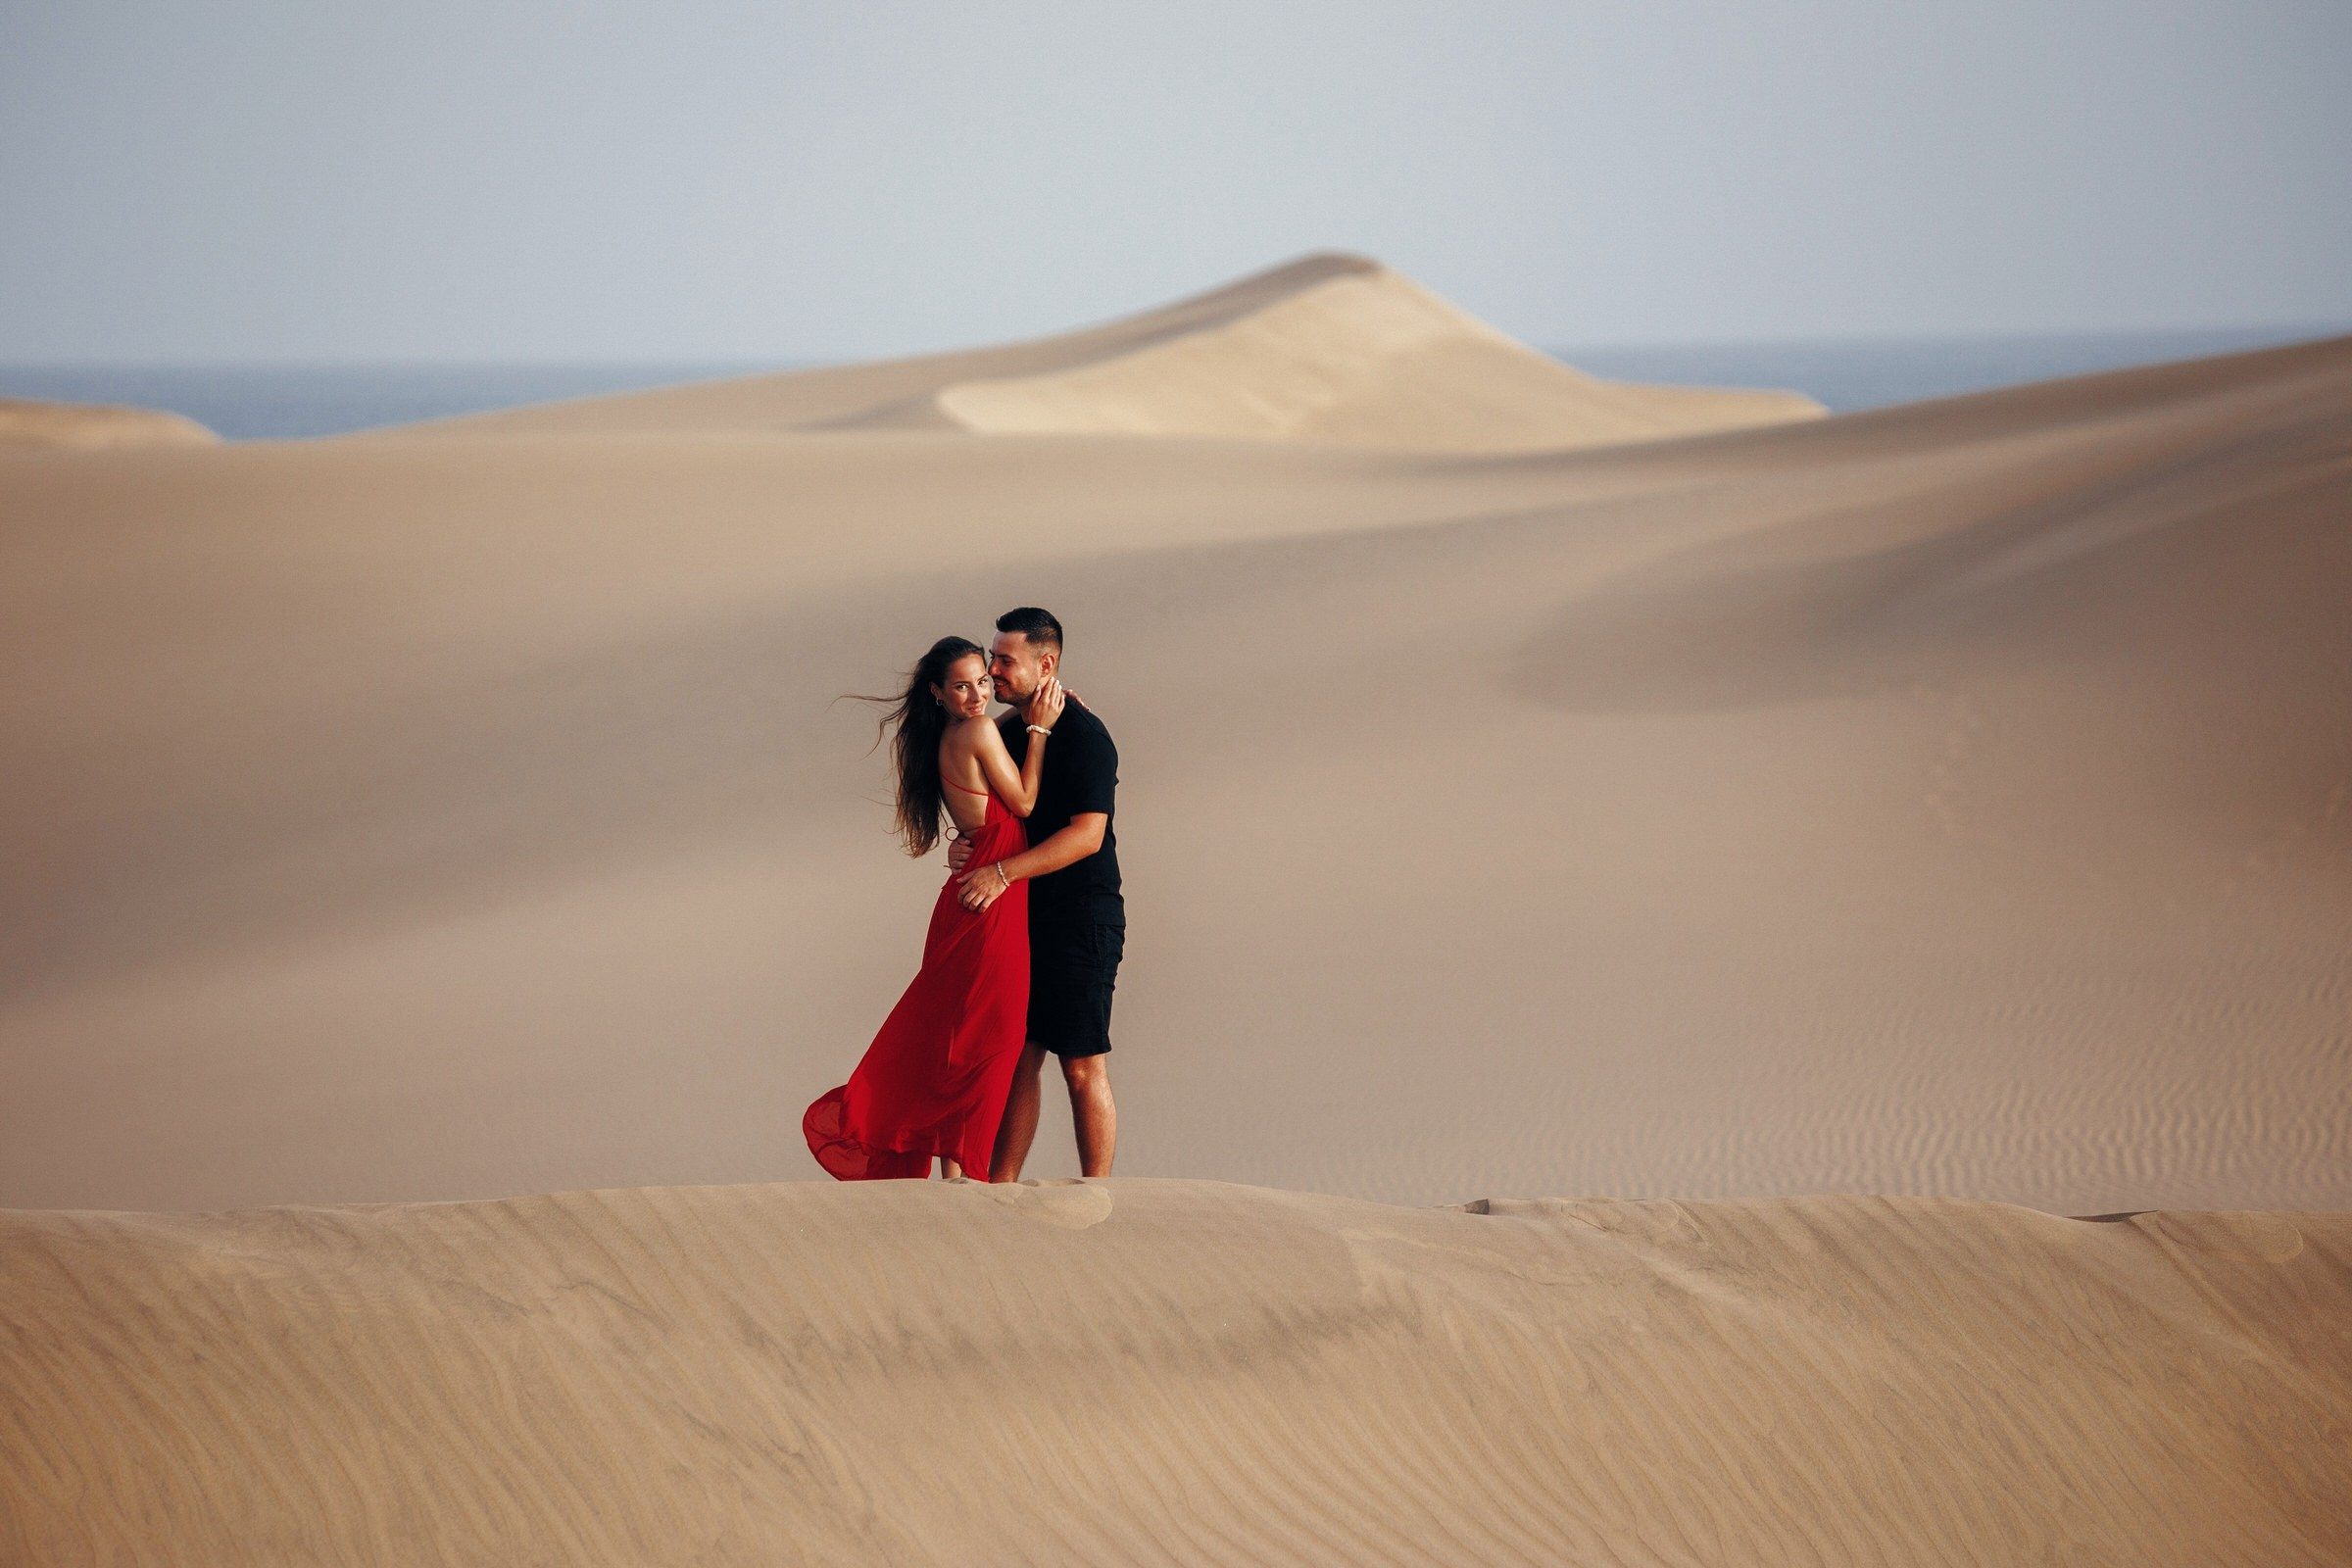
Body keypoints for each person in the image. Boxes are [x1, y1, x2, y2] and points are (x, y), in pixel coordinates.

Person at [804, 635, 1064, 1180]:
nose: (977, 696)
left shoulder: (944, 736)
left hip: (971, 893)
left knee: (961, 1040)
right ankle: (967, 1174)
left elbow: (985, 815)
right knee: (995, 1039)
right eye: (962, 686)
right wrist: (1038, 732)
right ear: (938, 693)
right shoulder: (978, 730)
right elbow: (1022, 802)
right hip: (988, 902)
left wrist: (969, 843)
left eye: (983, 683)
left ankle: (955, 1177)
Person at [948, 608, 1123, 1180]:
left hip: (1081, 918)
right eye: (992, 657)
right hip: (1024, 917)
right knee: (1019, 1058)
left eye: (1005, 660)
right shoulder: (1002, 732)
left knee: (1081, 1064)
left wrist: (1000, 874)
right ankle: (1002, 1193)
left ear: (1046, 664)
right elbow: (988, 811)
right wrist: (964, 847)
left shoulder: (1085, 735)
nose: (992, 671)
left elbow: (1087, 836)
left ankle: (1097, 1196)